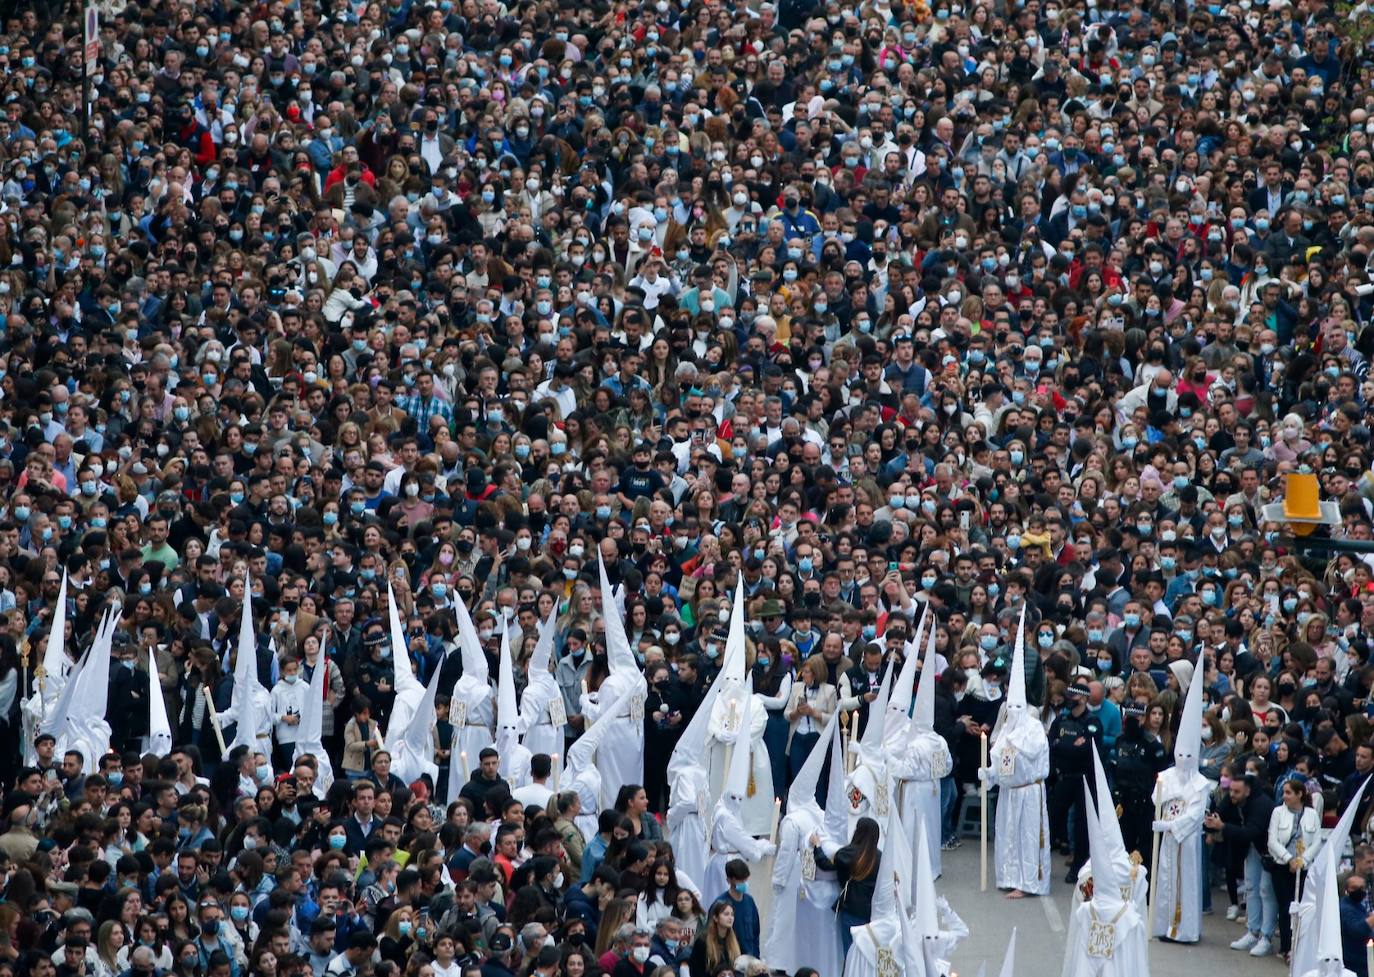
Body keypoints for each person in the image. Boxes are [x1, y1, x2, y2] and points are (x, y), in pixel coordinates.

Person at [980, 612, 1051, 898]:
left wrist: (1014, 741)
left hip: (1029, 793)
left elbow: (1033, 752)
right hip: (1010, 793)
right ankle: (1010, 876)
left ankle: (1029, 882)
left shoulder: (1032, 727)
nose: (1013, 713)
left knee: (1027, 838)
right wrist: (989, 774)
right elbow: (1000, 759)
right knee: (1008, 836)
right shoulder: (1007, 726)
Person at [1151, 654, 1212, 943]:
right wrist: (1161, 818)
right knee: (1165, 880)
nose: (1184, 759)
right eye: (1180, 754)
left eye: (1189, 755)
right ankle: (1164, 925)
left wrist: (1173, 825)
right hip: (1168, 841)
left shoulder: (1200, 783)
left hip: (1185, 840)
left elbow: (1196, 812)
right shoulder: (1167, 775)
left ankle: (1184, 929)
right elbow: (1158, 797)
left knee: (1185, 880)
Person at [1268, 778, 1321, 959]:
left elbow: (1316, 842)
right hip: (1282, 867)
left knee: (1303, 908)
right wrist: (1289, 859)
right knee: (1285, 907)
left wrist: (1303, 860)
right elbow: (1272, 840)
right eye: (1284, 792)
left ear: (1300, 794)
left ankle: (1301, 947)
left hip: (1304, 868)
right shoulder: (1278, 812)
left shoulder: (1312, 814)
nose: (1285, 796)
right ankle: (1286, 947)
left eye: (1289, 793)